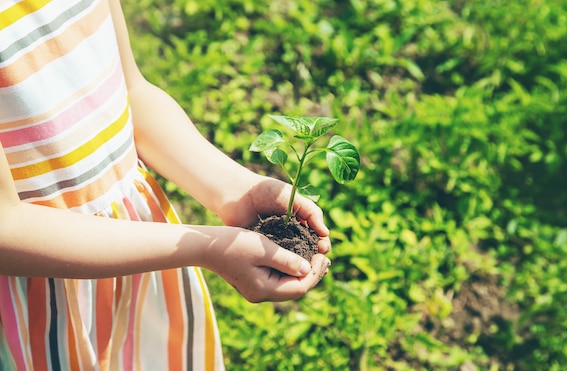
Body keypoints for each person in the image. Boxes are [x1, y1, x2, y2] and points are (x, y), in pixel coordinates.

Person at [0, 0, 332, 369]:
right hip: (38, 297)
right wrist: (204, 248)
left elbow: (132, 95)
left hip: (141, 252)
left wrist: (236, 189)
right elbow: (6, 226)